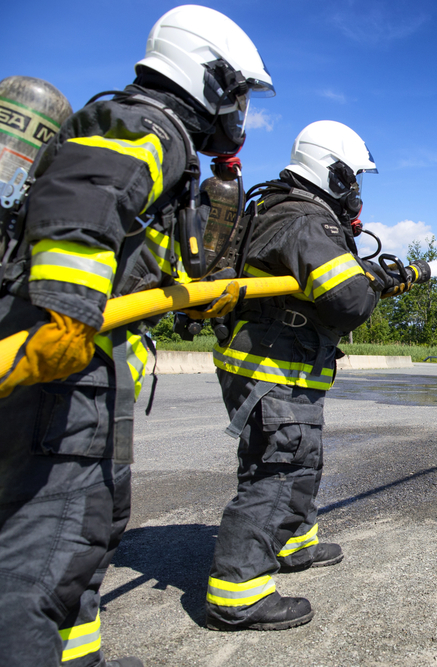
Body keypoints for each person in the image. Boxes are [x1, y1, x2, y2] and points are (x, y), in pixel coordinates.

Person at [0, 6, 274, 666]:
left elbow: (159, 259)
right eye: (237, 92)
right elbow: (88, 196)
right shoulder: (150, 122)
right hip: (62, 368)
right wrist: (67, 312)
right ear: (207, 77)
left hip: (80, 371)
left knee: (83, 535)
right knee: (42, 554)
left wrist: (207, 282)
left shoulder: (160, 141)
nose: (240, 109)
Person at [206, 120, 410, 631]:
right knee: (278, 467)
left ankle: (293, 542)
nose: (357, 192)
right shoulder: (303, 218)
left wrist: (370, 274)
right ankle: (239, 592)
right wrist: (373, 279)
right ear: (334, 173)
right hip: (270, 367)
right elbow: (348, 301)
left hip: (281, 364)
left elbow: (331, 284)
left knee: (300, 456)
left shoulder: (287, 211)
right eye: (354, 178)